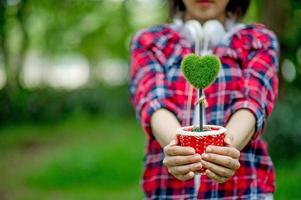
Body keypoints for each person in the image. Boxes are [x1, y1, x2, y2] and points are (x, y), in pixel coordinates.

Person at [129, 0, 279, 199]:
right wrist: (179, 149)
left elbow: (253, 101)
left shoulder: (259, 40)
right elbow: (153, 102)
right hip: (169, 191)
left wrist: (227, 150)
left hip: (243, 190)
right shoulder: (149, 41)